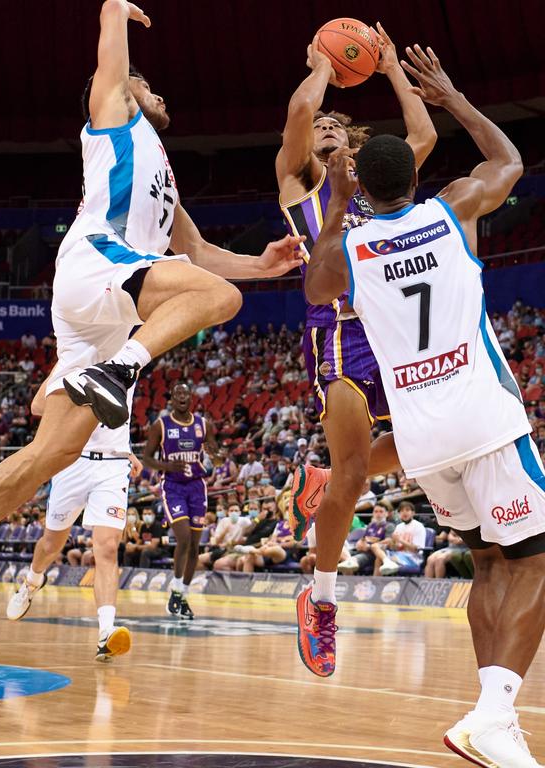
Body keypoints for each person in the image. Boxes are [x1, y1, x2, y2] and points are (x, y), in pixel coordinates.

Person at [0, 0, 303, 627]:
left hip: (105, 311)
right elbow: (111, 69)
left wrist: (265, 264)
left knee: (53, 454)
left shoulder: (162, 171)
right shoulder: (114, 118)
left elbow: (196, 252)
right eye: (148, 85)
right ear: (121, 91)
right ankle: (119, 372)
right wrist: (114, 12)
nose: (159, 93)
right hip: (97, 267)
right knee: (220, 301)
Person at [308, 46, 544, 766]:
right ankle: (497, 713)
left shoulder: (354, 248)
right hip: (484, 416)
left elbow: (318, 290)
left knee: (487, 566)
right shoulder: (453, 211)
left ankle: (488, 715)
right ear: (415, 173)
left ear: (364, 188)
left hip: (423, 439)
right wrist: (453, 99)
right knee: (534, 564)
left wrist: (338, 207)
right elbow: (507, 163)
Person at [276, 25, 437, 678]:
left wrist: (394, 71)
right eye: (320, 130)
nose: (325, 131)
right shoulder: (302, 189)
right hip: (340, 335)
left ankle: (330, 486)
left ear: (356, 144)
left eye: (337, 127)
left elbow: (421, 139)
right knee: (350, 472)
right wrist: (320, 68)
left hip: (397, 336)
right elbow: (296, 118)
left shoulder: (376, 189)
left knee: (419, 450)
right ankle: (321, 601)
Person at [7, 377, 141, 661]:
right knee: (51, 545)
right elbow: (37, 407)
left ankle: (106, 633)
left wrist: (128, 447)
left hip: (114, 464)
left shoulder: (130, 358)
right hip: (73, 460)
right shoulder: (73, 357)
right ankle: (32, 581)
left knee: (106, 547)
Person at [140, 382, 214, 619]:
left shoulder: (204, 425)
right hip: (172, 486)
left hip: (197, 487)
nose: (182, 397)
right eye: (177, 393)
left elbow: (215, 452)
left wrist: (219, 458)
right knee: (182, 537)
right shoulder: (160, 425)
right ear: (171, 399)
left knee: (194, 545)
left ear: (191, 398)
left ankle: (180, 594)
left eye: (185, 393)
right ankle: (175, 586)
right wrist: (165, 466)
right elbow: (146, 458)